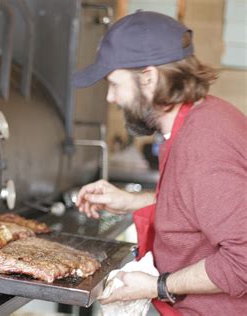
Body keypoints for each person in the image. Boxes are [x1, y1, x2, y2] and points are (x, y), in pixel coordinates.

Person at [72, 11, 246, 315]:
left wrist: (157, 286)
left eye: (114, 83)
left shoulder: (203, 147)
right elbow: (196, 204)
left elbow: (243, 260)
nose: (111, 97)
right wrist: (131, 201)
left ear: (149, 78)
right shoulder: (202, 116)